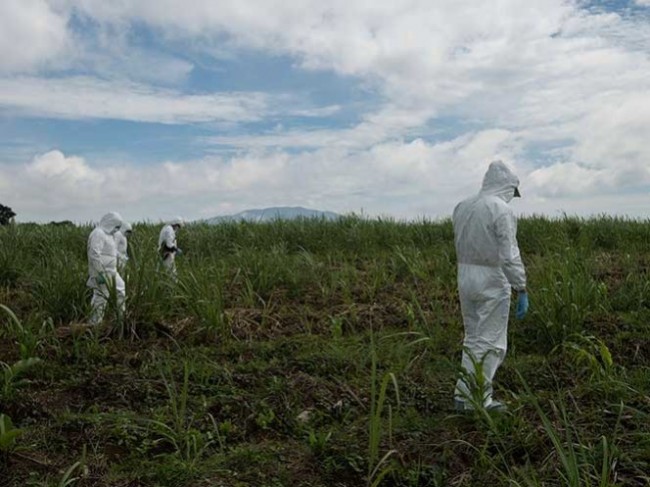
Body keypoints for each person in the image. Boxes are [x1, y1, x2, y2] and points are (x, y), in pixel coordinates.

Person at [452, 160, 529, 412]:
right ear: (508, 187)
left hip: (465, 278)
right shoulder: (500, 210)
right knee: (491, 342)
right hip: (492, 281)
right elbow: (509, 255)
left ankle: (463, 396)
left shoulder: (462, 206)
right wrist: (521, 287)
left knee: (473, 338)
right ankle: (478, 401)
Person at [87, 212, 126, 326]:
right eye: (116, 227)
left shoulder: (110, 235)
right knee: (101, 296)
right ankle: (95, 324)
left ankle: (121, 318)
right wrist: (100, 272)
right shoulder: (98, 233)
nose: (117, 230)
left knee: (121, 289)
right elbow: (94, 253)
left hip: (112, 271)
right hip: (103, 272)